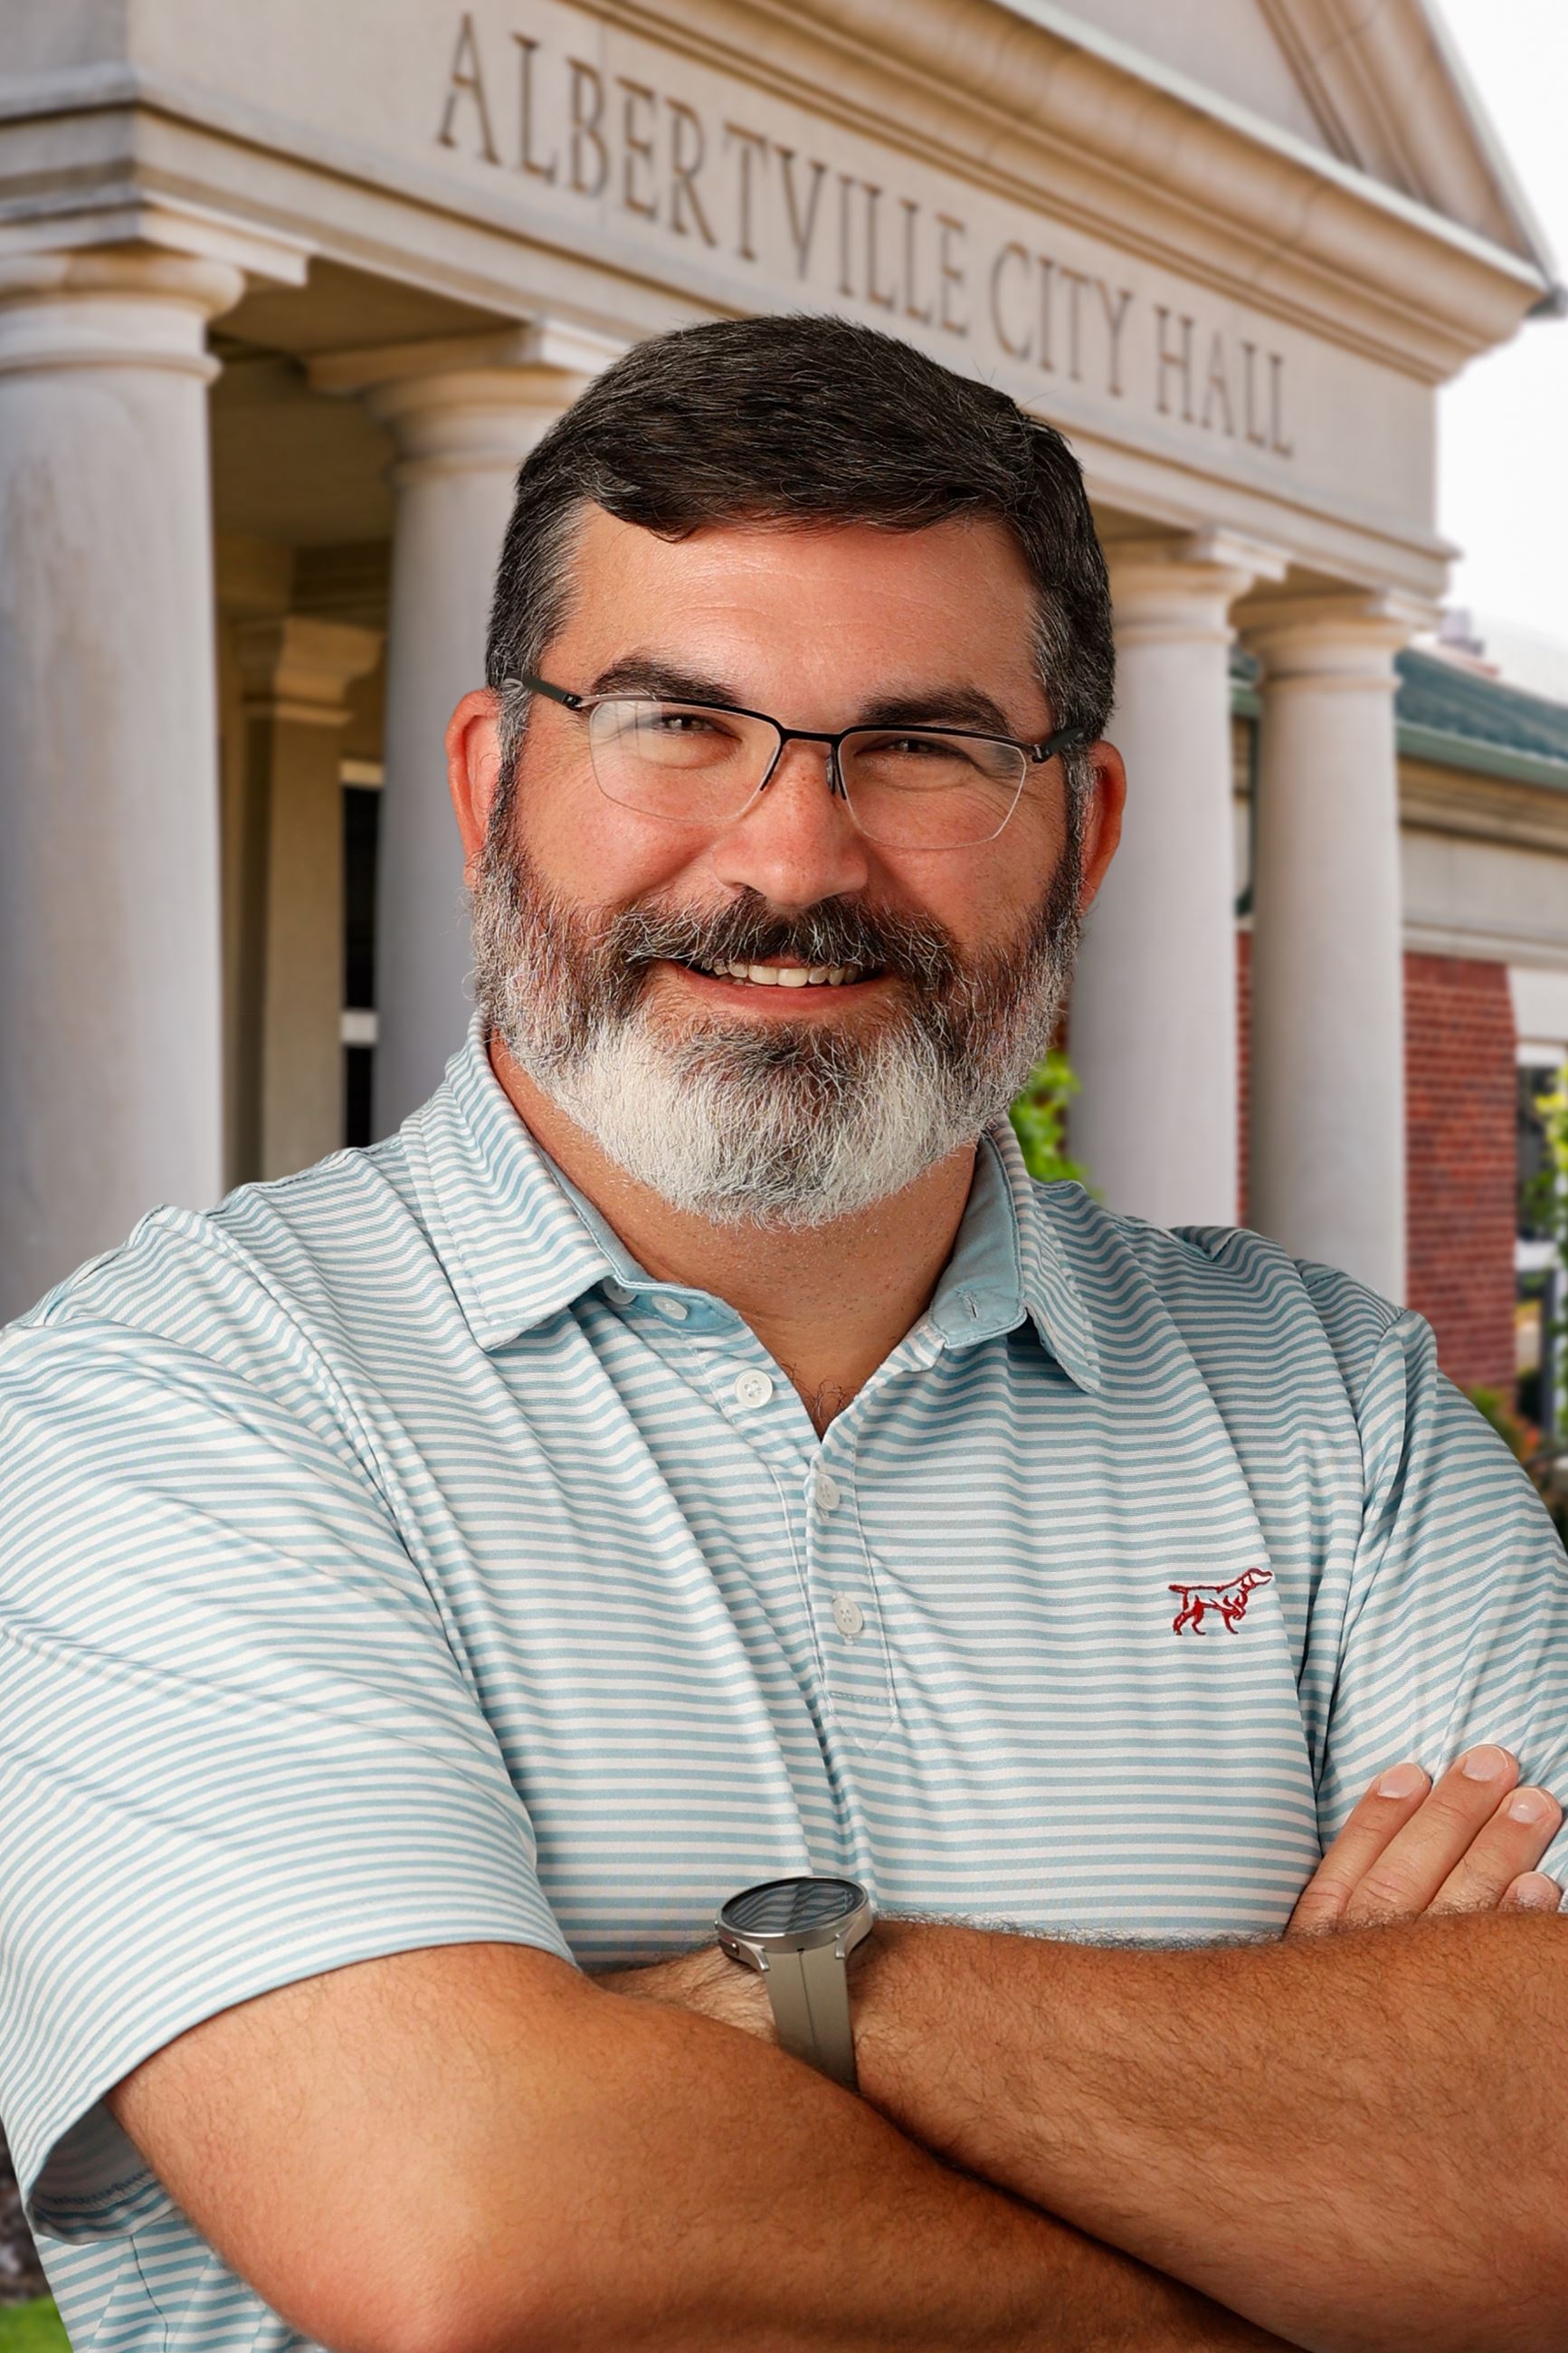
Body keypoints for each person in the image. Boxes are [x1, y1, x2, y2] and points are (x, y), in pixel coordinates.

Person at [2, 313, 1566, 2353]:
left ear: (1083, 832)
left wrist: (811, 1988)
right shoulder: (164, 1407)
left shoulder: (1337, 1418)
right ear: (492, 784)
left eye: (922, 746)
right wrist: (1304, 2205)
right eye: (674, 720)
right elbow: (476, 2240)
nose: (789, 858)